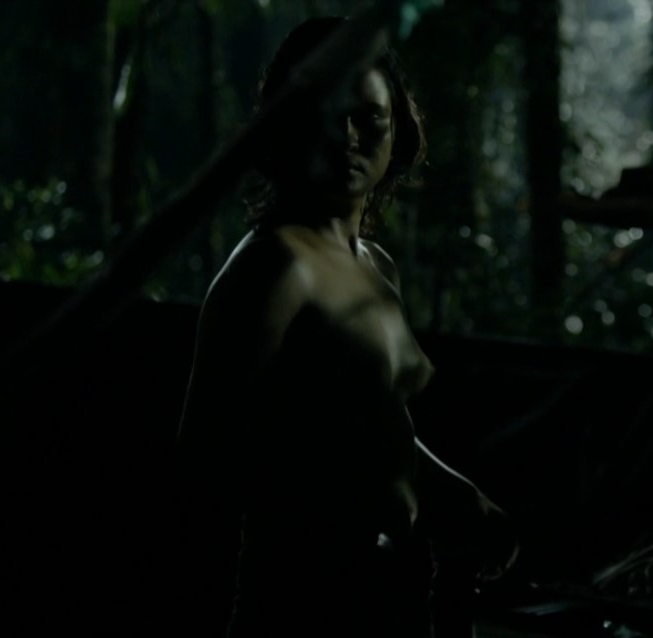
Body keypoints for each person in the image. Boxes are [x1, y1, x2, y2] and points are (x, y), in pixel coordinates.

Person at [175, 17, 517, 636]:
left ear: (397, 129)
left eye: (369, 118)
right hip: (298, 600)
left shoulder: (374, 265)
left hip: (384, 597)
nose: (349, 136)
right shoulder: (274, 269)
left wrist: (453, 494)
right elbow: (203, 462)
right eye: (327, 116)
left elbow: (372, 421)